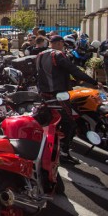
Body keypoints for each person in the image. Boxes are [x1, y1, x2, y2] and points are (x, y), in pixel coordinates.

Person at [36, 35, 102, 164]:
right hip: (58, 94)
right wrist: (93, 81)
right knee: (69, 122)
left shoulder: (40, 54)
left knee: (52, 122)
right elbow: (73, 70)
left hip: (45, 94)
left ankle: (52, 147)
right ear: (60, 43)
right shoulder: (58, 54)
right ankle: (63, 152)